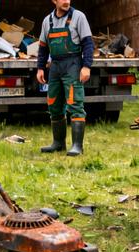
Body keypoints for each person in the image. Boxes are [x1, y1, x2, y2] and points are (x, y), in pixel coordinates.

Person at [36, 0, 94, 156]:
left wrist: (86, 66)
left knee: (75, 104)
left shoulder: (78, 17)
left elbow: (88, 44)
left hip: (73, 64)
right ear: (54, 1)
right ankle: (58, 143)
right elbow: (43, 47)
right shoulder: (47, 21)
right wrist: (40, 68)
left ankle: (77, 146)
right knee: (53, 104)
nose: (67, 1)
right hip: (55, 66)